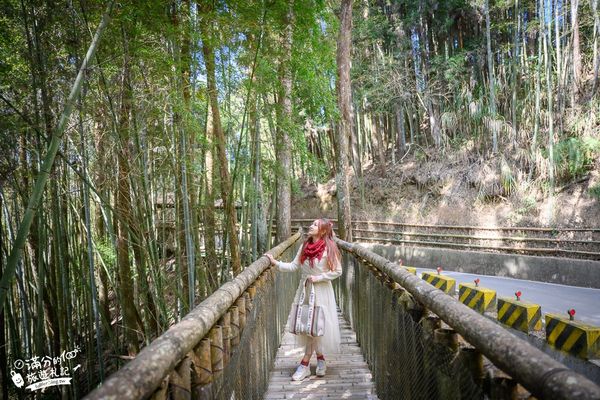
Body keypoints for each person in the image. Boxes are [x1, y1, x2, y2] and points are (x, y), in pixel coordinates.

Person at [265, 218, 343, 381]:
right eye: (312, 224)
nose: (311, 226)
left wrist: (319, 277)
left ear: (322, 231)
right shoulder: (304, 246)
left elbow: (338, 271)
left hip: (321, 290)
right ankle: (320, 359)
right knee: (309, 326)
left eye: (315, 225)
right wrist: (275, 263)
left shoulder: (329, 248)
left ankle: (305, 364)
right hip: (305, 290)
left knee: (316, 325)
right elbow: (293, 266)